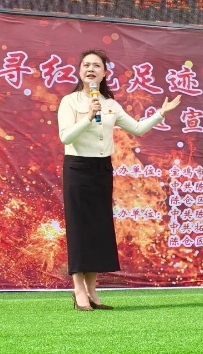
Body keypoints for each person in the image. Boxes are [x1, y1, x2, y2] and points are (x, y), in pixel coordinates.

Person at [58, 48, 181, 311]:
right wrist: (88, 117)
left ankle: (92, 290)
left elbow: (137, 128)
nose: (90, 69)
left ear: (104, 73)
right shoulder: (70, 101)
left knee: (98, 229)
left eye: (96, 66)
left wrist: (161, 113)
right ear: (79, 71)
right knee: (80, 229)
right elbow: (66, 137)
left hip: (102, 169)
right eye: (86, 65)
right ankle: (78, 290)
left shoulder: (110, 104)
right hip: (77, 168)